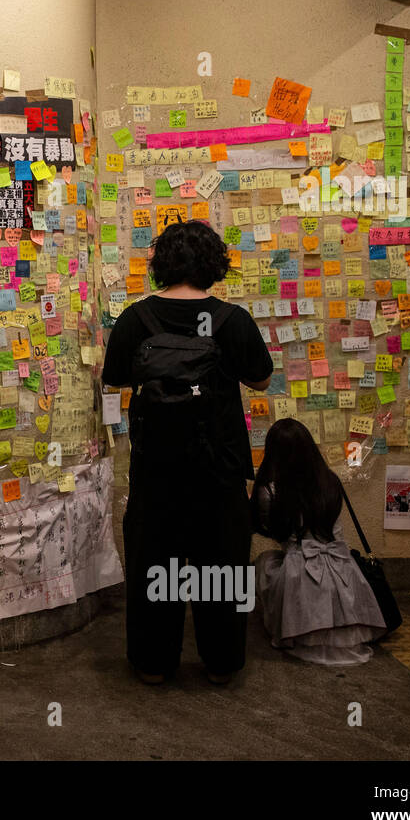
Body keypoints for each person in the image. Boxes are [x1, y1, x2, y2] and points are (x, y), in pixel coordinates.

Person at [102, 220, 274, 685]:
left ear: (161, 265)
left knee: (154, 566)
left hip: (156, 472)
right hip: (218, 471)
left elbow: (115, 378)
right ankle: (221, 664)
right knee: (222, 566)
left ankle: (154, 664)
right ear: (214, 263)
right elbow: (260, 379)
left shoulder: (136, 320)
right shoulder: (231, 320)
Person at [252, 419, 387, 665]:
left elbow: (275, 532)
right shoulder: (330, 481)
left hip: (300, 570)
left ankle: (289, 626)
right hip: (343, 567)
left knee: (263, 564)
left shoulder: (269, 490)